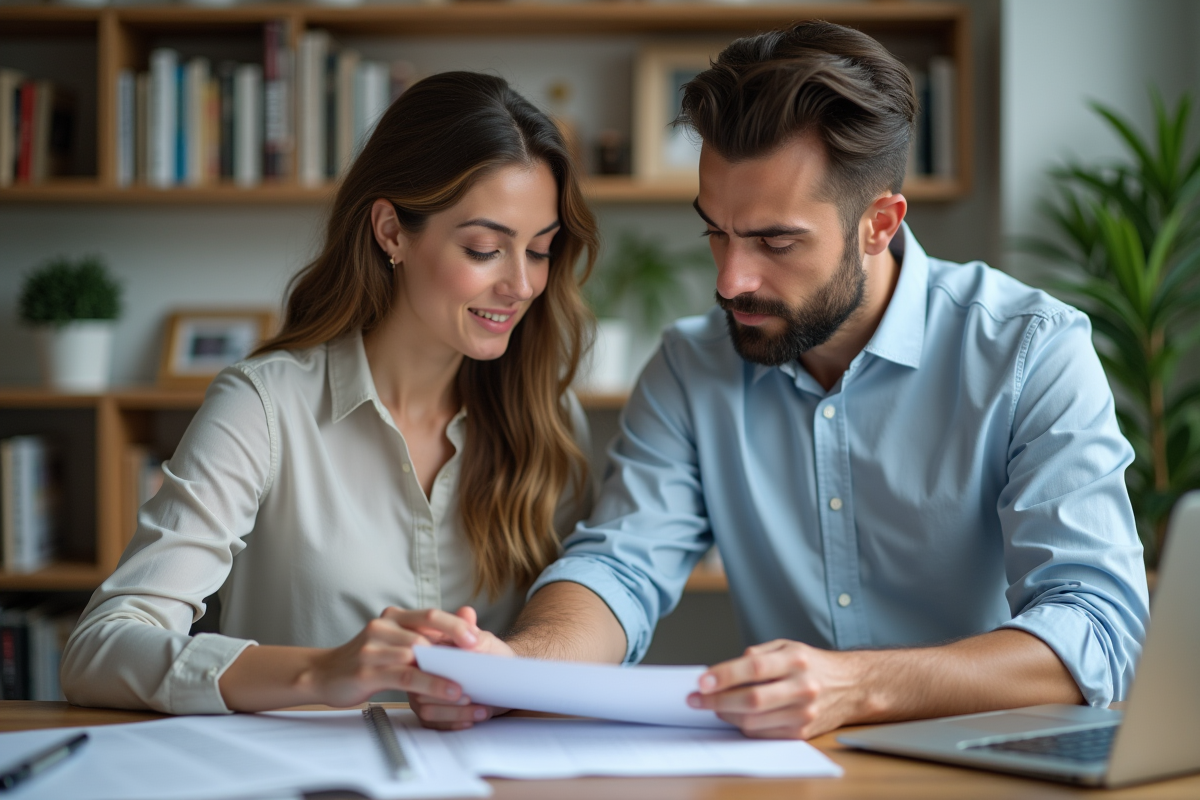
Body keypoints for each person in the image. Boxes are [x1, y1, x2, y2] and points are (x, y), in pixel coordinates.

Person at [406, 23, 1150, 739]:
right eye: (716, 232)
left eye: (775, 241)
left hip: (996, 768)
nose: (731, 280)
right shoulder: (690, 368)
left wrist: (854, 686)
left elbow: (1097, 626)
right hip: (796, 772)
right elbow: (620, 566)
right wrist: (521, 669)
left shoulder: (1030, 351)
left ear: (879, 224)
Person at [60, 72, 597, 714]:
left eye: (539, 251)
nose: (522, 285)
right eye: (485, 249)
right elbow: (100, 648)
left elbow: (576, 626)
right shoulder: (263, 406)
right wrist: (322, 673)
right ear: (392, 231)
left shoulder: (549, 417)